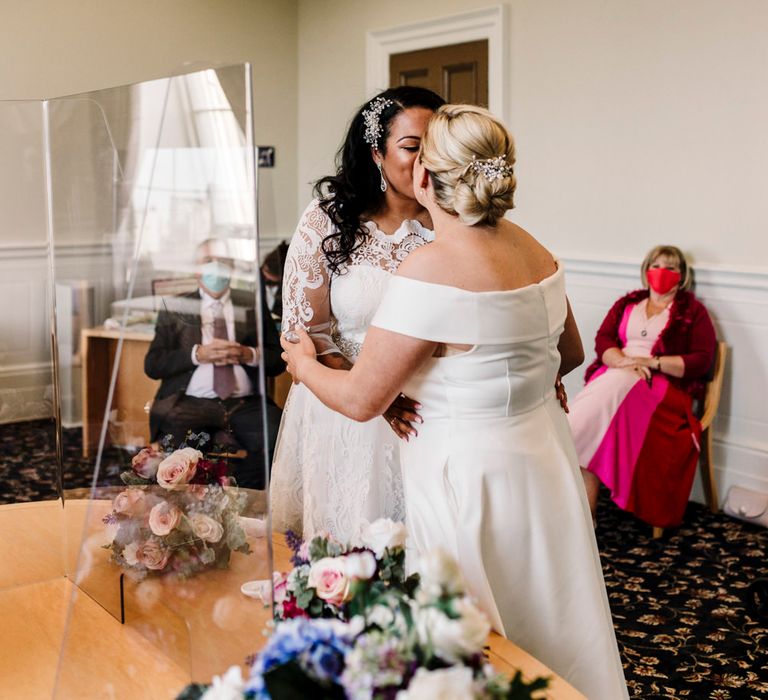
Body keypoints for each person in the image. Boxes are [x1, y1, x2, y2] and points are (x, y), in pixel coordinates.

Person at [280, 104, 628, 700]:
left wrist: (305, 365)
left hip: (465, 471)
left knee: (470, 626)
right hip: (541, 458)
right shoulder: (534, 248)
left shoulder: (431, 267)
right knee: (548, 608)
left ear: (425, 179)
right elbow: (567, 354)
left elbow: (365, 399)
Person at [269, 86, 445, 542]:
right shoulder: (327, 219)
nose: (425, 159)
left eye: (435, 146)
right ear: (376, 153)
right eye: (411, 147)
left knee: (423, 556)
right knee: (348, 553)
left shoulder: (451, 225)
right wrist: (372, 395)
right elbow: (306, 332)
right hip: (342, 410)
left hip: (427, 413)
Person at [568, 245, 716, 528]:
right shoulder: (627, 304)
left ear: (682, 276)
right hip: (618, 373)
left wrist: (651, 362)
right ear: (646, 270)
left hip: (662, 387)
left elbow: (701, 360)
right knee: (604, 403)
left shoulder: (693, 312)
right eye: (657, 265)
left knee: (588, 418)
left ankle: (568, 439)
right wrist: (623, 362)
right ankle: (585, 511)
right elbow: (603, 340)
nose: (663, 273)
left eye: (671, 268)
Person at [145, 238, 284, 489]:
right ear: (196, 269)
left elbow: (278, 361)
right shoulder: (176, 306)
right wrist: (197, 355)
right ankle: (191, 504)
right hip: (188, 403)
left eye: (224, 262)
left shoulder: (251, 303)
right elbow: (153, 365)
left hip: (245, 404)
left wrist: (249, 354)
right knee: (175, 455)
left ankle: (241, 498)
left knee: (279, 439)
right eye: (209, 262)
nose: (216, 269)